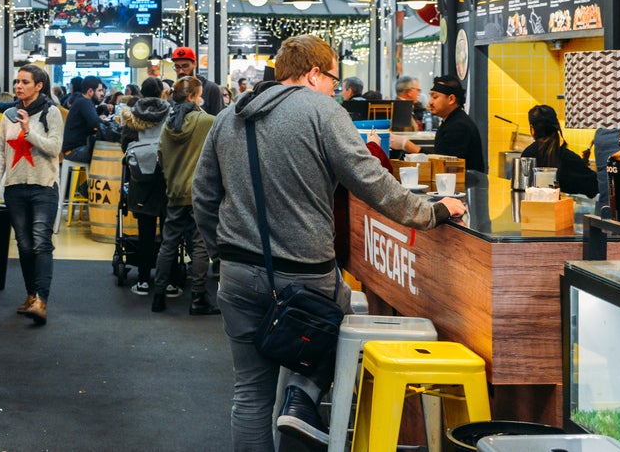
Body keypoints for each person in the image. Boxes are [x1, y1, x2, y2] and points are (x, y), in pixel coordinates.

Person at [193, 35, 465, 449]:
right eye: (334, 80)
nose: (336, 89)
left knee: (249, 393)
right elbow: (372, 181)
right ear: (315, 73)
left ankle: (297, 403)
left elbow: (204, 194)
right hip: (306, 275)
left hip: (238, 275)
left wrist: (222, 253)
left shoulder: (230, 117)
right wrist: (432, 212)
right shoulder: (323, 111)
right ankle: (301, 398)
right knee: (331, 326)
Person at [0, 64, 64, 325]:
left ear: (39, 86)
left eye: (25, 82)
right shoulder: (8, 115)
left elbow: (54, 149)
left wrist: (29, 132)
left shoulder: (52, 113)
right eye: (17, 81)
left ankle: (42, 299)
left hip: (44, 186)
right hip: (15, 188)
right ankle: (31, 295)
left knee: (41, 241)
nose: (19, 86)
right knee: (24, 244)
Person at [152, 77, 219, 315]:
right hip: (200, 194)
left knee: (168, 243)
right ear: (192, 97)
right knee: (200, 245)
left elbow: (160, 155)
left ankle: (158, 295)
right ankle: (198, 298)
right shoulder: (208, 122)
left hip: (175, 192)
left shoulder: (168, 125)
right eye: (199, 95)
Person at [119, 78, 172, 294]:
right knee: (169, 231)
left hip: (141, 179)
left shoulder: (133, 115)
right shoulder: (171, 112)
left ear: (141, 93)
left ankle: (142, 280)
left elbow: (125, 143)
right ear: (161, 93)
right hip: (166, 176)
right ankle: (167, 280)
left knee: (145, 232)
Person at [392, 75, 486, 174]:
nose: (430, 102)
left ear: (451, 99)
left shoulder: (458, 126)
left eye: (435, 97)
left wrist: (408, 146)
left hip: (467, 185)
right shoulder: (450, 121)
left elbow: (445, 165)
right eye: (430, 96)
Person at [522, 105, 597, 197]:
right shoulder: (569, 158)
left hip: (534, 209)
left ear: (532, 129)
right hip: (565, 209)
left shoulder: (527, 156)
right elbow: (593, 187)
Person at [61, 76, 114, 163]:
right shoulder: (84, 102)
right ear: (90, 91)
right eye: (99, 90)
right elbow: (96, 123)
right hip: (73, 151)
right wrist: (110, 125)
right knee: (108, 153)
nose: (102, 94)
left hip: (74, 149)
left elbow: (93, 122)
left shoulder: (82, 101)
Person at [171, 46, 225, 115]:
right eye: (177, 67)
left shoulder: (210, 88)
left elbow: (219, 118)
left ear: (194, 64)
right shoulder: (174, 90)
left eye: (185, 66)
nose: (181, 71)